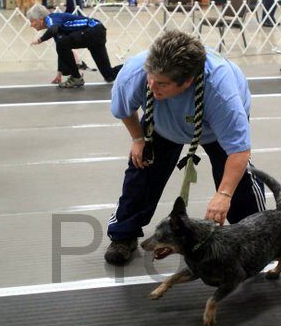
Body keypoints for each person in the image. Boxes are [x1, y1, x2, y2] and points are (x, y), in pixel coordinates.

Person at [104, 30, 266, 265]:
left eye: (162, 84)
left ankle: (258, 238)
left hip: (213, 127)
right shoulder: (135, 73)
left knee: (237, 183)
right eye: (150, 78)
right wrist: (138, 139)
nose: (152, 86)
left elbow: (239, 151)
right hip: (162, 123)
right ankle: (123, 235)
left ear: (187, 81)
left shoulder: (221, 92)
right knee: (141, 172)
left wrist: (223, 194)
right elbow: (124, 109)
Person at [27, 4, 122, 87]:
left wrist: (40, 40)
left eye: (32, 21)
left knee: (62, 42)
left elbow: (54, 31)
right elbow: (61, 50)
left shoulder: (51, 19)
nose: (31, 25)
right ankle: (131, 65)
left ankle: (76, 77)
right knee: (109, 75)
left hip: (93, 31)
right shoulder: (55, 27)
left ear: (41, 19)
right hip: (96, 31)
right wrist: (59, 73)